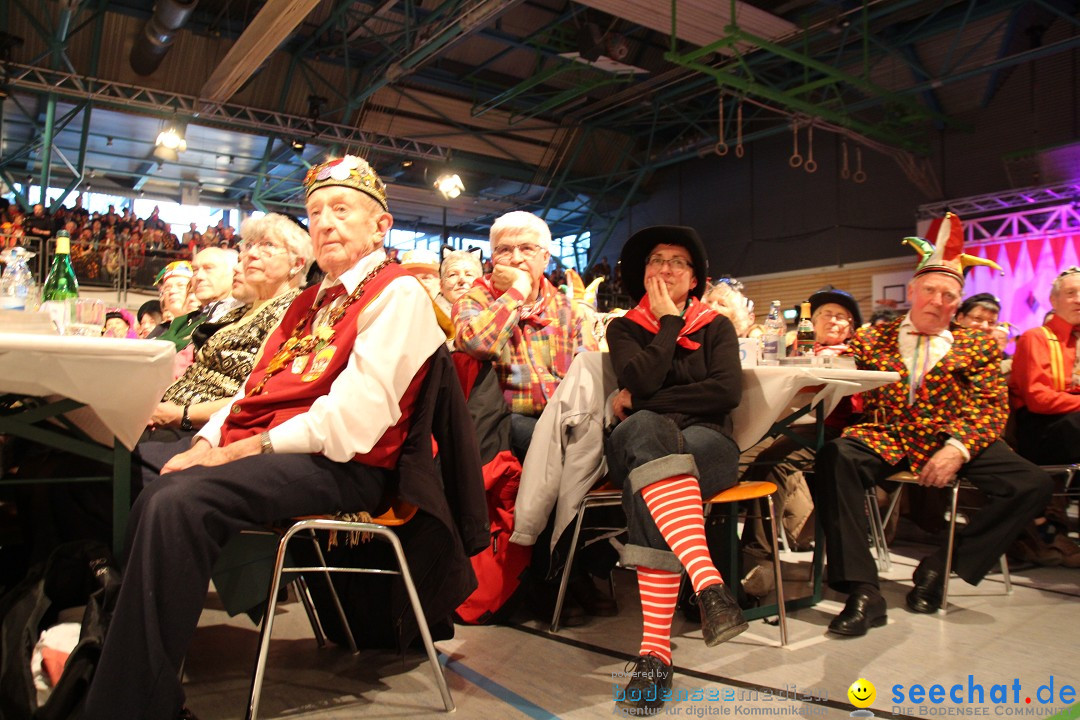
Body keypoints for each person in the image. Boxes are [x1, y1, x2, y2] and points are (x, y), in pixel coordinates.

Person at [79, 155, 448, 720]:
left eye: (341, 210)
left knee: (181, 499)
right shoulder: (307, 302)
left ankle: (129, 702)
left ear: (381, 225)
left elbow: (356, 419)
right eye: (316, 210)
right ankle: (130, 688)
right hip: (279, 445)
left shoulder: (398, 295)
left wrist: (239, 449)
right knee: (159, 487)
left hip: (347, 462)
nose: (324, 222)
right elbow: (248, 392)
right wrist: (206, 442)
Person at [814, 213, 1052, 635]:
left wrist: (956, 449)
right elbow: (832, 363)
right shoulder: (872, 338)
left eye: (949, 295)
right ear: (911, 291)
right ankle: (863, 591)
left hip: (953, 435)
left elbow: (990, 408)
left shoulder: (977, 343)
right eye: (930, 290)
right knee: (836, 456)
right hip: (889, 434)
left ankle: (939, 568)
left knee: (1031, 484)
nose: (939, 301)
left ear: (958, 303)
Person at [604, 226, 745, 713]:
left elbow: (725, 394)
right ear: (642, 274)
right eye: (656, 260)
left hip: (707, 441)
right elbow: (636, 376)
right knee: (645, 432)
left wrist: (644, 398)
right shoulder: (624, 327)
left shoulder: (716, 326)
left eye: (677, 262)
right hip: (640, 437)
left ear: (695, 277)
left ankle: (655, 657)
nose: (665, 268)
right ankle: (709, 584)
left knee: (654, 477)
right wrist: (666, 324)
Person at [739, 285, 863, 596]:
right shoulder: (792, 351)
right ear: (812, 322)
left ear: (851, 328)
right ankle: (716, 555)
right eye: (826, 315)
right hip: (783, 426)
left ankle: (758, 561)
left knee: (773, 464)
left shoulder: (858, 355)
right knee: (736, 455)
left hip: (834, 431)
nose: (833, 321)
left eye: (841, 317)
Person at [145, 213, 312, 441]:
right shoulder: (241, 310)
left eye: (268, 246)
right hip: (168, 414)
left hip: (203, 431)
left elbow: (259, 394)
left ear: (297, 263)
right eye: (250, 245)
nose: (251, 254)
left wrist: (181, 414)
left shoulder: (296, 312)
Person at [454, 210, 591, 459]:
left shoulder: (569, 309)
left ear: (546, 258)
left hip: (565, 420)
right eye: (504, 250)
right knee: (552, 448)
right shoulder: (474, 300)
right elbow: (476, 343)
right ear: (492, 259)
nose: (515, 259)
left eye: (527, 248)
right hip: (503, 424)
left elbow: (589, 374)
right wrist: (517, 291)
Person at [1007, 267, 1080, 566]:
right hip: (1042, 427)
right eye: (1071, 293)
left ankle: (1050, 529)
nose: (1079, 300)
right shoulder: (1037, 337)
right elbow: (1038, 399)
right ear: (1054, 300)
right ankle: (1044, 530)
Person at [154, 247, 241, 352]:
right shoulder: (182, 321)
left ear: (233, 273)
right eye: (195, 270)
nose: (199, 276)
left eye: (209, 268)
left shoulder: (240, 316)